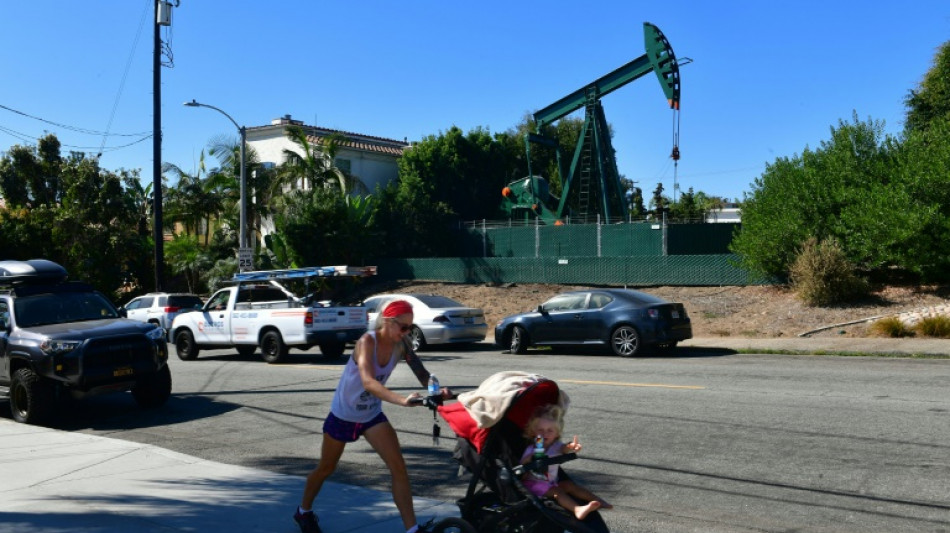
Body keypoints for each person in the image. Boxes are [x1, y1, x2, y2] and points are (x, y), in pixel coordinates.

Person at [294, 299, 450, 533]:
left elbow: (421, 373)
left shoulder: (402, 344)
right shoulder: (367, 342)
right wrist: (401, 400)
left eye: (410, 327)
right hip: (344, 415)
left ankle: (412, 529)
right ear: (387, 321)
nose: (407, 332)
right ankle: (303, 511)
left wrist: (436, 390)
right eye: (403, 327)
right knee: (326, 468)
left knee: (398, 468)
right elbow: (367, 381)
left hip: (371, 416)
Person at [519, 404, 612, 521]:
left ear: (556, 434)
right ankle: (577, 509)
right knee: (557, 492)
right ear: (533, 432)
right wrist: (530, 458)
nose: (544, 434)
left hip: (551, 482)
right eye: (540, 430)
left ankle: (598, 501)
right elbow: (522, 465)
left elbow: (564, 448)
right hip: (533, 484)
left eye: (549, 430)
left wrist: (572, 446)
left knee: (569, 485)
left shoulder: (556, 446)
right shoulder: (531, 449)